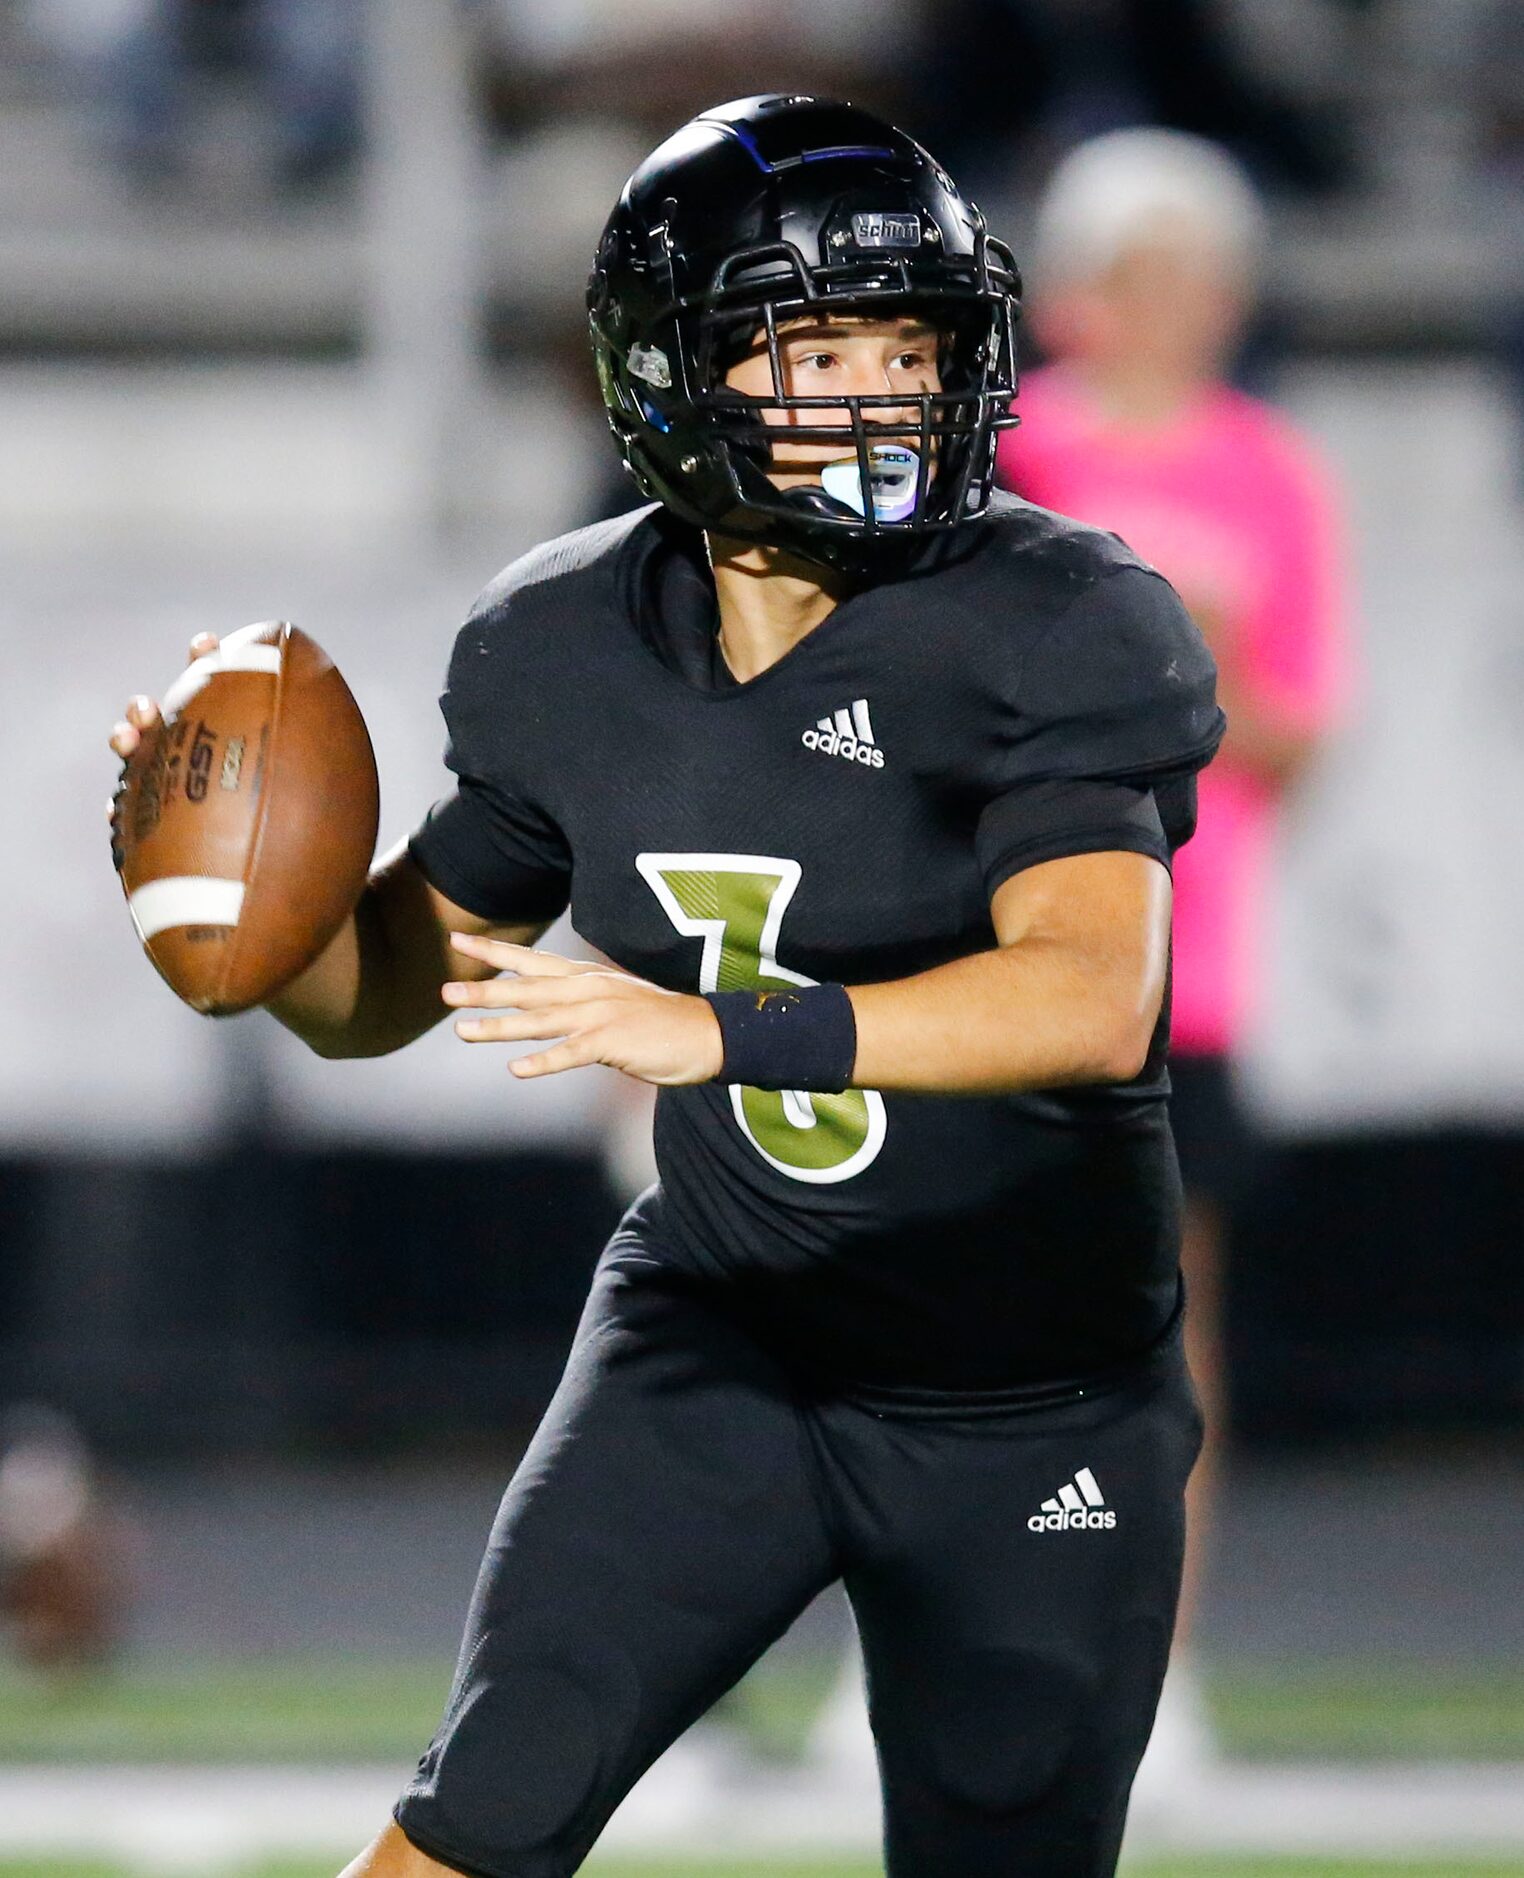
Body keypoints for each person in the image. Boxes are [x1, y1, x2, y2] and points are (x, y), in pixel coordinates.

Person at [111, 95, 1223, 1878]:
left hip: (1034, 1386)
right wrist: (243, 910)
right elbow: (390, 983)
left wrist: (719, 1028)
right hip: (728, 1333)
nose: (886, 391)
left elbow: (1093, 997)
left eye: (910, 339)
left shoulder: (1054, 616)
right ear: (670, 374)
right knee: (470, 1825)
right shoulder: (565, 646)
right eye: (820, 345)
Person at [996, 127, 1347, 1787]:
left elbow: (1292, 743)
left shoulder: (1272, 471)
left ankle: (1156, 1666)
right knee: (948, 1313)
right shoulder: (1023, 452)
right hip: (991, 947)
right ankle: (927, 1656)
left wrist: (1199, 668)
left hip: (1179, 963)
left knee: (1153, 1335)